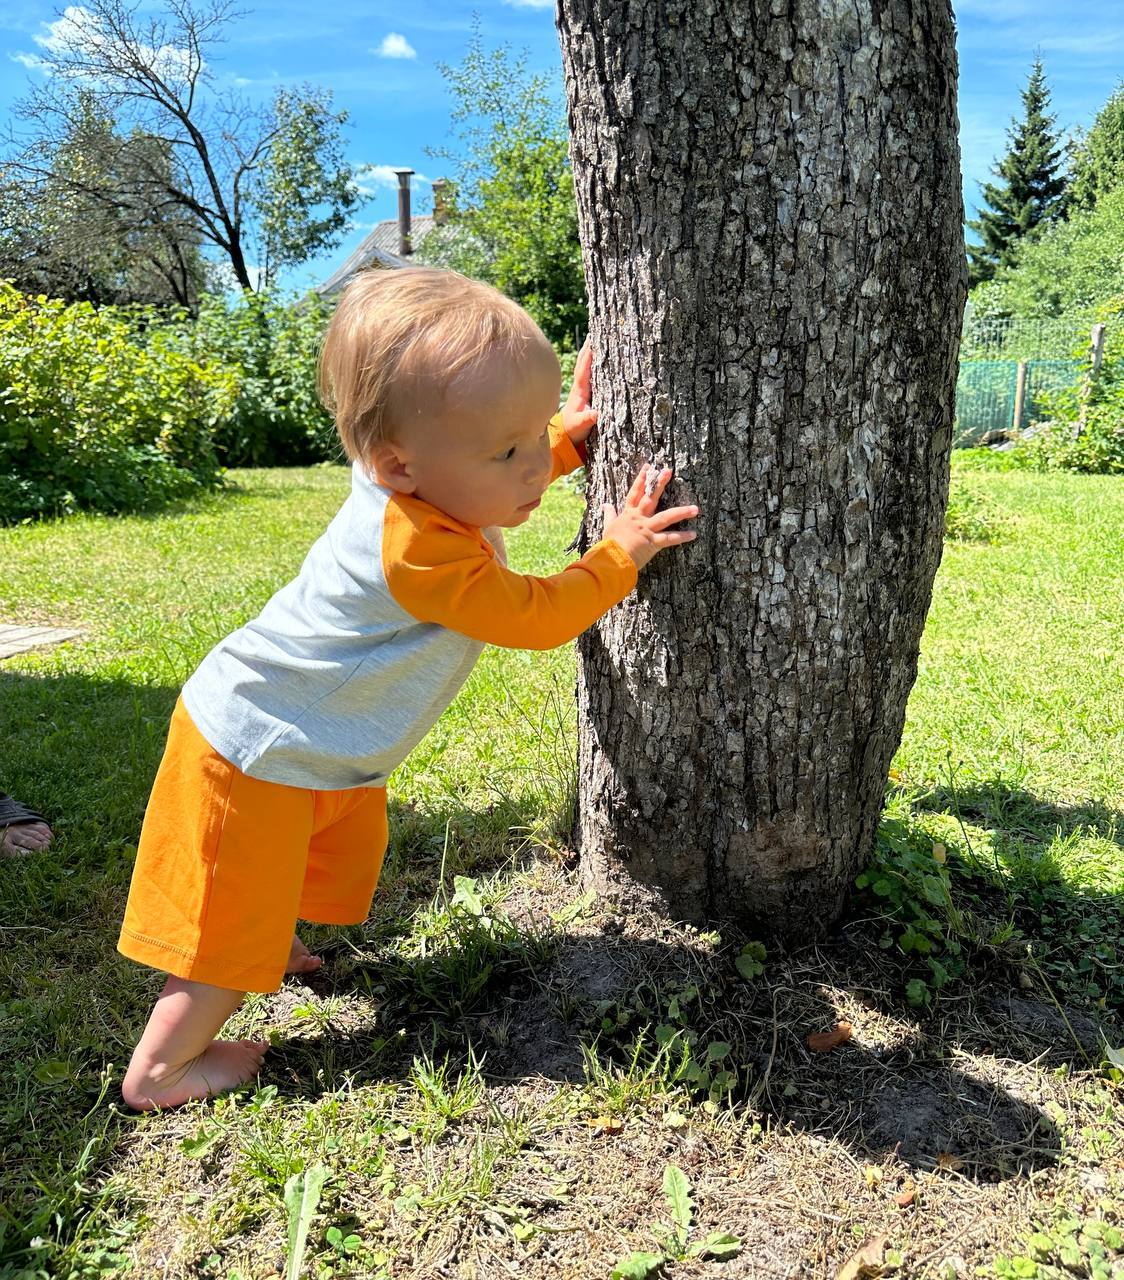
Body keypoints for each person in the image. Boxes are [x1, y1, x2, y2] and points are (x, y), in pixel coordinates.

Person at [116, 267, 700, 1110]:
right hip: (254, 749)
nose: (538, 465)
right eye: (509, 451)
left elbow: (479, 466)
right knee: (221, 932)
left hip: (309, 746)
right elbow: (537, 615)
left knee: (314, 858)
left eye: (535, 435)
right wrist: (621, 552)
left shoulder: (425, 485)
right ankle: (162, 1072)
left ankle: (269, 939)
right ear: (397, 466)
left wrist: (564, 437)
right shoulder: (416, 548)